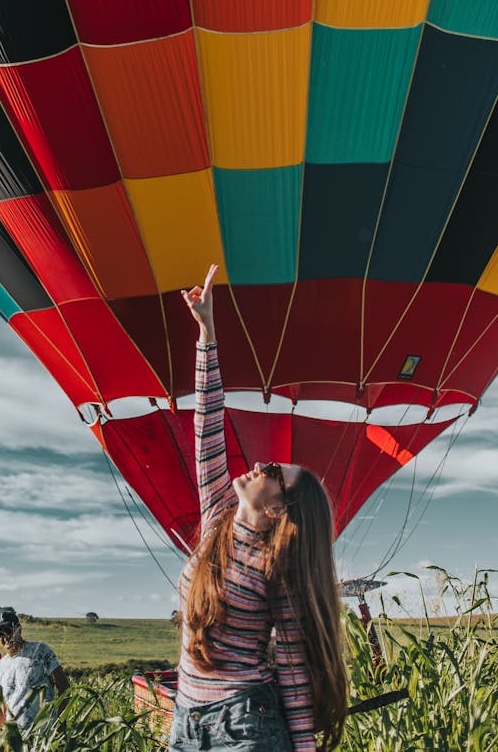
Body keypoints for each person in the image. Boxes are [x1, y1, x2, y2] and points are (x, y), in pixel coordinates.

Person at [170, 265, 347, 752]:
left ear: (278, 510)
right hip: (185, 718)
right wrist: (207, 332)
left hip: (245, 723)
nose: (259, 464)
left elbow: (290, 665)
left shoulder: (278, 568)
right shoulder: (216, 521)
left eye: (273, 470)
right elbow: (207, 424)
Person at [0, 608, 69, 736]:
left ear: (19, 629)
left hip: (43, 739)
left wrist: (60, 724)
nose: (5, 637)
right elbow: (1, 707)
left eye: (9, 630)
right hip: (14, 740)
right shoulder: (0, 667)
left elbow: (64, 687)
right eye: (0, 633)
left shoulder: (41, 651)